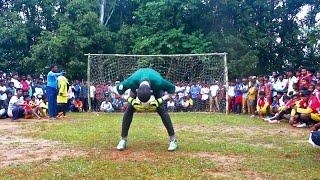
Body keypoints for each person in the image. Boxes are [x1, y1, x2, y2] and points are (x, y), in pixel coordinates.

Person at [116, 68, 178, 151]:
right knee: (129, 110)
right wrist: (130, 100)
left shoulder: (159, 82)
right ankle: (123, 139)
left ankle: (173, 139)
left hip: (156, 90)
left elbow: (174, 90)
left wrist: (160, 100)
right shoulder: (131, 81)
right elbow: (116, 90)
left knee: (162, 110)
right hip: (136, 88)